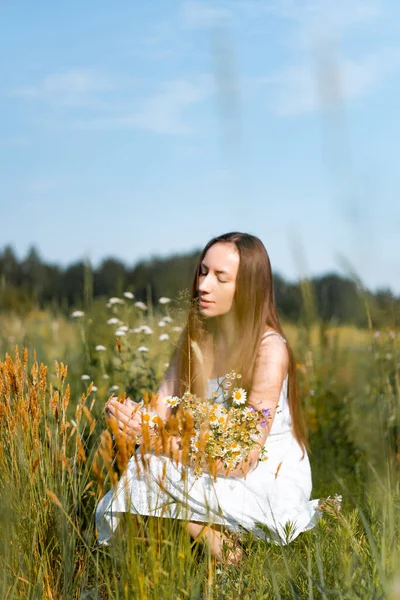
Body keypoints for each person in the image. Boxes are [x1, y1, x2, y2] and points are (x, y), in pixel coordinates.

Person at [96, 232, 321, 563]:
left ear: (247, 288)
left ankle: (231, 561)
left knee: (153, 470)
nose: (203, 285)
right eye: (202, 272)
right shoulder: (194, 338)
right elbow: (158, 409)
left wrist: (152, 438)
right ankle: (152, 565)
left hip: (263, 471)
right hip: (203, 453)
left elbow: (241, 458)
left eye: (220, 277)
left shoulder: (270, 350)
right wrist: (125, 416)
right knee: (145, 469)